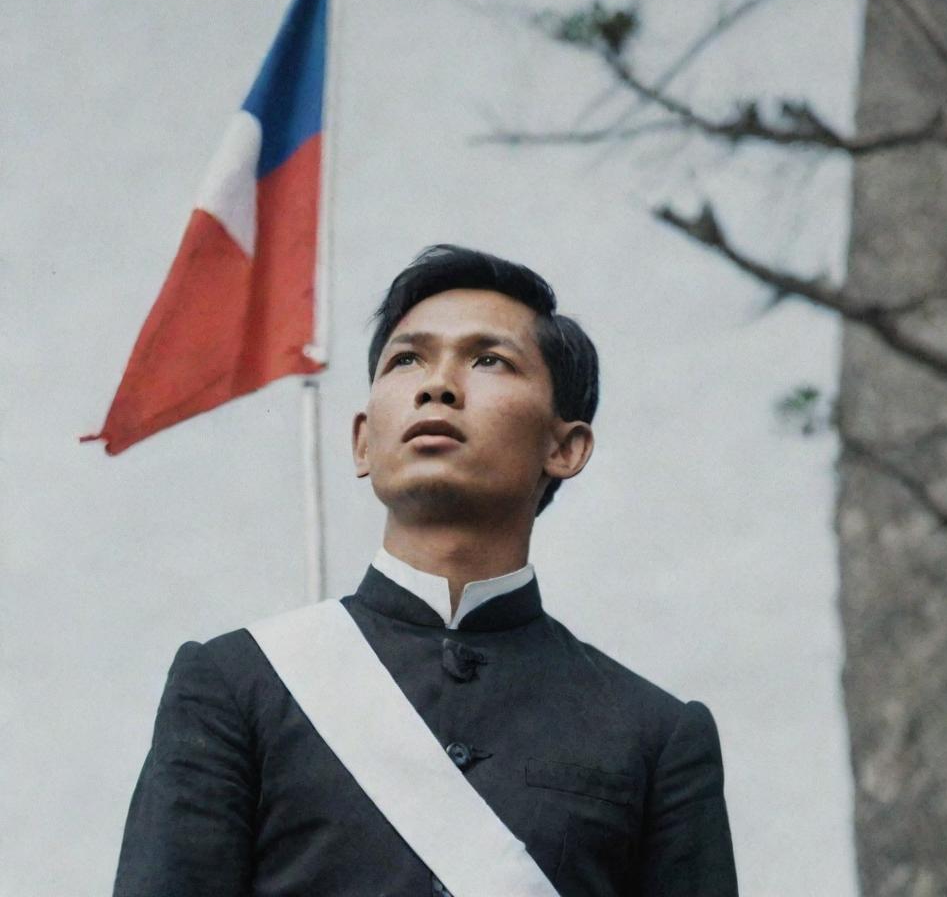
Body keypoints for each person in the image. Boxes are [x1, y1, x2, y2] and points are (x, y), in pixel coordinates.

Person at [112, 244, 739, 896]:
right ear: (362, 439)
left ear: (564, 446)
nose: (436, 385)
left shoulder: (655, 734)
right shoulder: (237, 687)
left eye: (488, 359)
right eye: (406, 358)